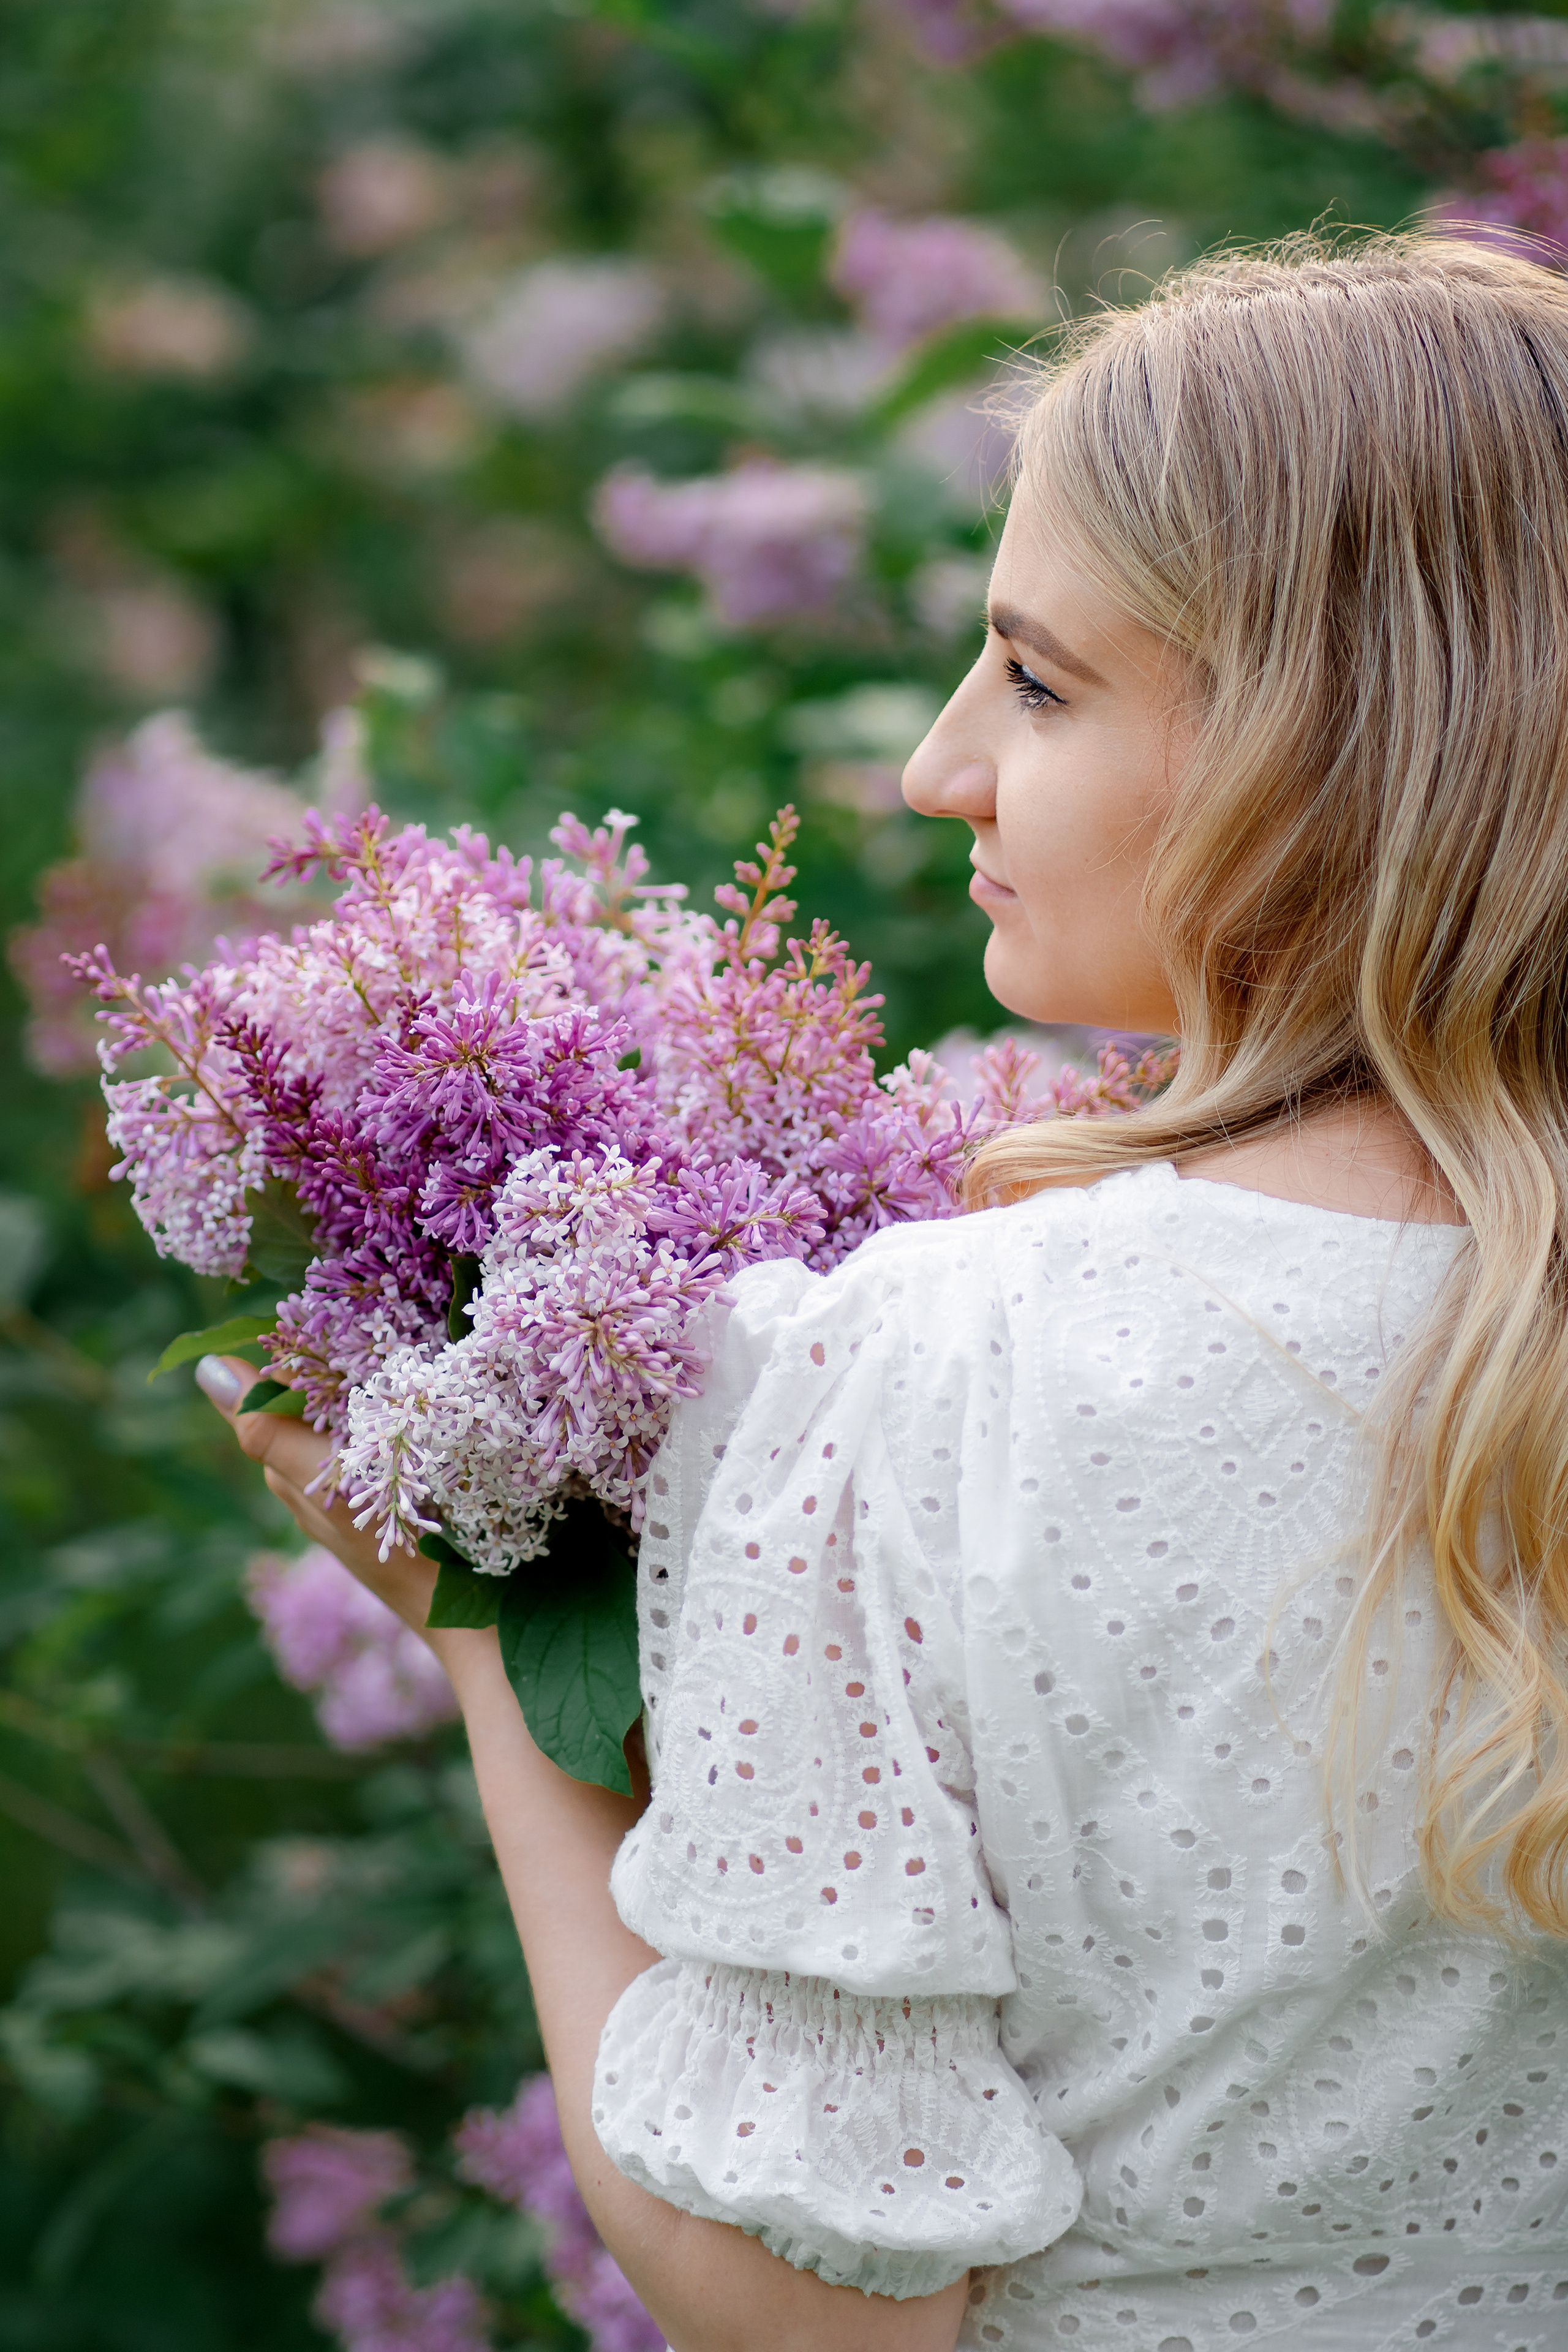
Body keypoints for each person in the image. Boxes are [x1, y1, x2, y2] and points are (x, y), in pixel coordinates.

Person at [198, 232, 1568, 2350]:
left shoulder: (929, 1364)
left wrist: (488, 1656)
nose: (942, 766)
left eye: (1036, 678)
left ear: (1327, 737)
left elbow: (816, 2316)